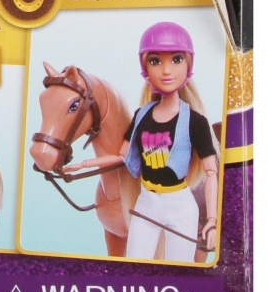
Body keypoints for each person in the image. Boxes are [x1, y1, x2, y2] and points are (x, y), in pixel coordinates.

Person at [64, 22, 220, 261]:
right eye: (155, 61)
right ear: (145, 68)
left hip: (178, 204)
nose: (166, 71)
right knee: (136, 264)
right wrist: (83, 165)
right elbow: (121, 156)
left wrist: (212, 220)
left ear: (188, 66)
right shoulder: (141, 116)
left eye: (176, 60)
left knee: (179, 269)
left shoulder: (195, 122)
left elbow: (211, 172)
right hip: (146, 202)